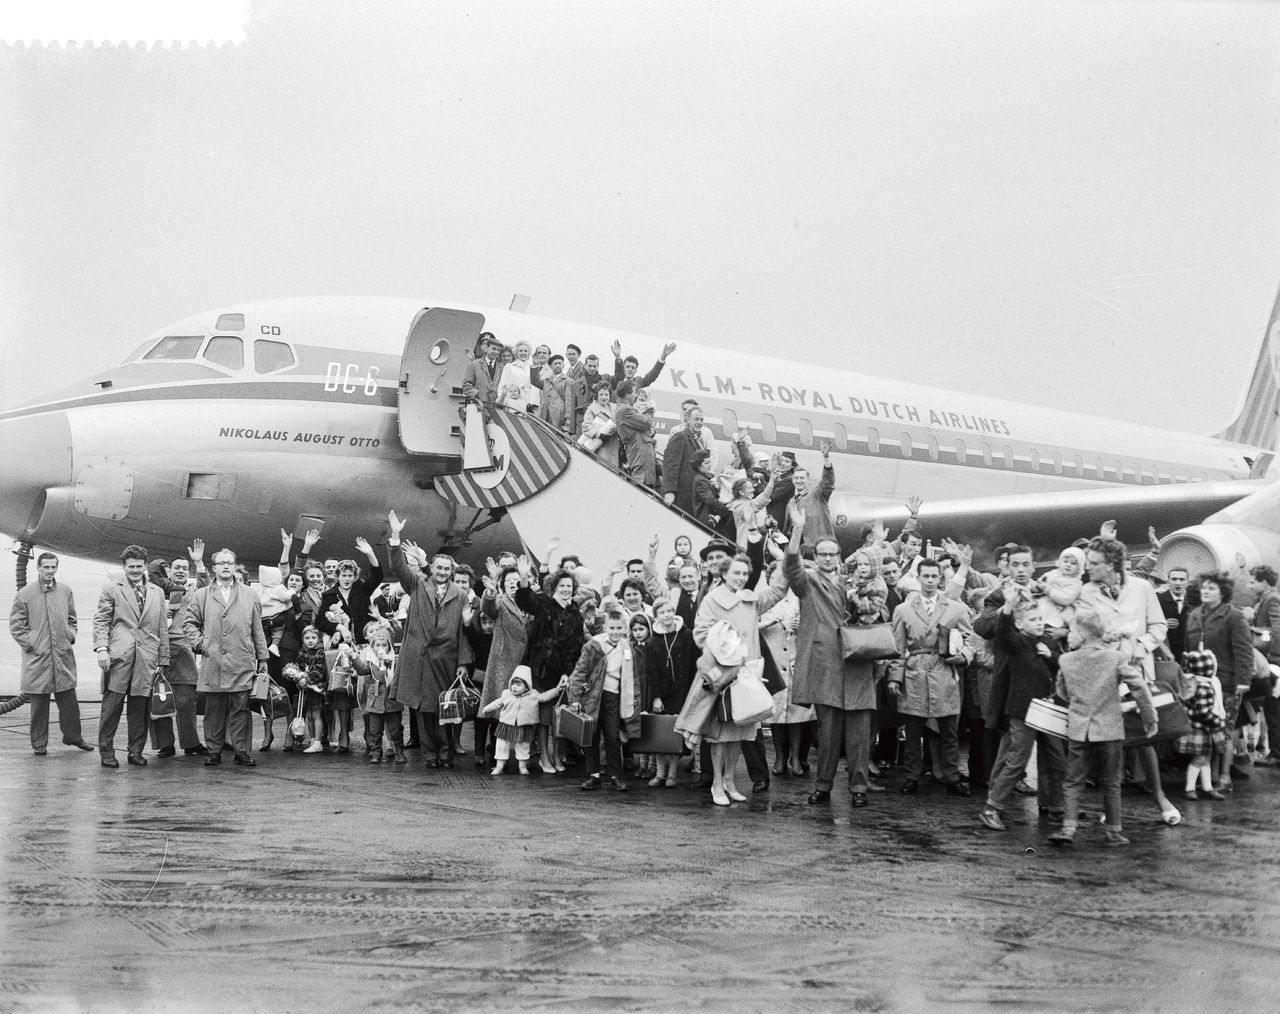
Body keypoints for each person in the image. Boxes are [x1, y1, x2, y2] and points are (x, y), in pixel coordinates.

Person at [1077, 535, 1181, 826]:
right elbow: (1085, 631)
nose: (1089, 569)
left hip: (1138, 670)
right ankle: (1112, 806)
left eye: (1095, 564)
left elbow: (1159, 626)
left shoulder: (1142, 587)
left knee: (1143, 738)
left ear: (1113, 565)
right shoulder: (1087, 591)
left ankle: (1160, 798)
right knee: (1111, 739)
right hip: (1104, 673)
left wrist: (1141, 646)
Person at [783, 509, 880, 807]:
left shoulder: (858, 581)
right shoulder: (808, 582)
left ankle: (859, 788)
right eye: (822, 554)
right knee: (827, 736)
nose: (827, 559)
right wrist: (797, 530)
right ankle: (823, 786)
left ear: (839, 556)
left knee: (860, 735)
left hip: (858, 662)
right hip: (827, 667)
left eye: (832, 554)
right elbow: (791, 568)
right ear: (817, 556)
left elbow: (881, 613)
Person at [1048, 607, 1158, 848]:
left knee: (1073, 780)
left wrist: (1080, 702)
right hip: (1110, 728)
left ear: (1083, 634)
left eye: (1072, 631)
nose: (1068, 636)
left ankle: (1068, 827)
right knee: (1111, 780)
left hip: (1079, 728)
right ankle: (1114, 831)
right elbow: (1138, 686)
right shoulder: (1116, 658)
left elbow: (1062, 692)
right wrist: (1150, 718)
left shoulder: (1066, 660)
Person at [687, 552, 788, 806]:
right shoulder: (712, 599)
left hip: (749, 674)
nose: (741, 578)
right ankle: (717, 784)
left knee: (742, 731)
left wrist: (787, 556)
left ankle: (731, 781)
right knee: (721, 734)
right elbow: (700, 634)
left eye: (745, 573)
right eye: (736, 573)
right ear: (723, 574)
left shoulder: (751, 599)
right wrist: (725, 645)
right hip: (724, 674)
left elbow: (778, 590)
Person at [387, 510, 474, 767]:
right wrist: (395, 535)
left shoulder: (459, 594)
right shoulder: (416, 584)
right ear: (431, 568)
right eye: (439, 567)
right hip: (419, 657)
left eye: (447, 569)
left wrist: (463, 662)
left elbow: (462, 631)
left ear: (451, 571)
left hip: (446, 658)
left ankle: (446, 753)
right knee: (423, 710)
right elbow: (397, 566)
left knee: (445, 707)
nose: (443, 572)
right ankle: (430, 755)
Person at [887, 556, 976, 795]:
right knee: (913, 731)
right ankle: (911, 776)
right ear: (917, 578)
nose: (929, 581)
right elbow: (897, 647)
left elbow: (970, 639)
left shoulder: (956, 608)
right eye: (925, 576)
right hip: (915, 671)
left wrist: (964, 656)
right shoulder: (903, 609)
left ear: (940, 578)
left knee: (949, 730)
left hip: (944, 671)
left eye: (934, 576)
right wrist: (895, 677)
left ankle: (951, 777)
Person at [977, 592, 1066, 831]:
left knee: (1057, 760)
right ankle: (992, 807)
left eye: (1040, 618)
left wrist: (1052, 656)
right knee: (1017, 760)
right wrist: (1008, 609)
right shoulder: (1015, 643)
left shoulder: (1046, 642)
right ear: (1019, 624)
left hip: (1047, 711)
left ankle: (1058, 807)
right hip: (1022, 712)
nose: (1039, 623)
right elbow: (1003, 633)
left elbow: (1061, 664)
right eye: (1033, 619)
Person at [183, 548, 269, 766]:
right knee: (213, 710)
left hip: (242, 660)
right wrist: (201, 644)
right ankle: (214, 750)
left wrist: (263, 658)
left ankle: (242, 751)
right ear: (214, 568)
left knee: (241, 708)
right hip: (214, 661)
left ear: (234, 565)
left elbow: (257, 629)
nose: (226, 566)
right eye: (221, 563)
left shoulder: (250, 594)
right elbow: (189, 623)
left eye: (229, 563)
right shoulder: (201, 595)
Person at [9, 551, 93, 756]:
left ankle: (74, 736)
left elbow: (72, 618)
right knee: (39, 705)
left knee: (69, 701)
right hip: (38, 657)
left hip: (62, 655)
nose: (49, 571)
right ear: (38, 568)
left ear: (57, 568)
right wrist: (33, 645)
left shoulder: (65, 591)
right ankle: (39, 743)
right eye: (45, 567)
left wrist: (69, 636)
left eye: (53, 567)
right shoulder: (25, 594)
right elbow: (16, 626)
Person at [93, 545, 170, 768]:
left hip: (147, 658)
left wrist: (163, 659)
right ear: (124, 567)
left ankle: (135, 751)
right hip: (118, 657)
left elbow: (162, 628)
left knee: (140, 710)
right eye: (131, 567)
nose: (135, 570)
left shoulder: (157, 592)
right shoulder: (112, 588)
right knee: (111, 708)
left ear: (146, 566)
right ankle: (106, 752)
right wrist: (101, 649)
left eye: (139, 566)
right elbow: (101, 621)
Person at [1184, 571, 1253, 791]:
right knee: (1204, 729)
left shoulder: (1234, 616)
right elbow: (1187, 649)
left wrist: (1243, 681)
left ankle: (1224, 776)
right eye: (1203, 587)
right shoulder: (1194, 614)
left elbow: (1244, 651)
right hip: (1199, 683)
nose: (1205, 591)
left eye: (1211, 588)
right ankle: (1209, 775)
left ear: (1223, 592)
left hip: (1226, 682)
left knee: (1225, 728)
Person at [569, 609, 641, 792]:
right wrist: (575, 698)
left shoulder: (628, 647)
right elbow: (580, 672)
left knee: (612, 736)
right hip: (594, 695)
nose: (616, 632)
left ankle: (615, 775)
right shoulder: (594, 646)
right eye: (612, 628)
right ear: (605, 627)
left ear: (625, 628)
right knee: (591, 735)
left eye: (619, 628)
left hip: (615, 696)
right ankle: (594, 775)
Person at [151, 543, 210, 757]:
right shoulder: (156, 590)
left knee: (186, 699)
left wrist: (198, 562)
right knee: (159, 698)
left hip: (183, 648)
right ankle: (165, 744)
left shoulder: (192, 590)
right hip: (158, 648)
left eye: (184, 568)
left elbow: (206, 585)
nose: (180, 571)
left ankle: (191, 742)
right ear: (168, 571)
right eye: (176, 568)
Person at [477, 563, 531, 769]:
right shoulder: (500, 602)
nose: (513, 585)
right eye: (509, 582)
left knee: (522, 711)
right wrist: (490, 591)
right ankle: (496, 754)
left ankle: (522, 757)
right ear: (503, 585)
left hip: (525, 664)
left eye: (517, 581)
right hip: (503, 661)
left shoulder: (529, 604)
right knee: (498, 710)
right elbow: (488, 608)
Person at [481, 666, 567, 775]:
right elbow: (498, 702)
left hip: (523, 726)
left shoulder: (533, 695)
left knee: (523, 746)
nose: (514, 687)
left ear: (527, 687)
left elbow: (545, 697)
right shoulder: (506, 694)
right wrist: (486, 708)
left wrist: (558, 689)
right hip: (506, 725)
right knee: (501, 745)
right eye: (513, 684)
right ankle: (499, 766)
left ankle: (522, 766)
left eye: (518, 684)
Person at [1176, 647, 1227, 800]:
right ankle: (1190, 788)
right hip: (1203, 729)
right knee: (1199, 759)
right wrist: (1218, 722)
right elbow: (1203, 712)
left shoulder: (1192, 683)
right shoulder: (1205, 687)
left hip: (1195, 728)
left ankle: (1207, 787)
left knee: (1205, 758)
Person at [354, 623, 406, 764]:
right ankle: (376, 751)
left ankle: (399, 751)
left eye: (384, 645)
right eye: (377, 645)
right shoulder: (371, 662)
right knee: (375, 729)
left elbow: (399, 675)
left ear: (389, 646)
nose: (381, 649)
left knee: (395, 728)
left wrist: (391, 665)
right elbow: (361, 670)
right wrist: (354, 658)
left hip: (392, 700)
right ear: (372, 647)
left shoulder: (394, 661)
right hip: (375, 700)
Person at [1247, 564, 1280, 766]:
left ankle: (1276, 753)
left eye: (1253, 582)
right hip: (1272, 661)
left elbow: (1276, 631)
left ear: (1264, 582)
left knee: (1274, 709)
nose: (1249, 586)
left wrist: (1255, 633)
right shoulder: (1265, 600)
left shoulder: (1273, 599)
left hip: (1273, 662)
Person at [784, 442, 836, 548]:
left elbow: (828, 481)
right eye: (796, 478)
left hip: (818, 547)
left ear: (807, 479)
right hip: (799, 550)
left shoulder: (817, 495)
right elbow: (788, 528)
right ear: (793, 480)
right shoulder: (791, 502)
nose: (799, 481)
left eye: (802, 478)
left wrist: (826, 458)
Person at [661, 405, 707, 514]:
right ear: (687, 420)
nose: (699, 422)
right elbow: (670, 464)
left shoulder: (696, 441)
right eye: (696, 419)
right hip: (679, 495)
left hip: (690, 495)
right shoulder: (680, 437)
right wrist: (669, 491)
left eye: (701, 420)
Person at [613, 380, 657, 486]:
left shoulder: (626, 410)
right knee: (643, 486)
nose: (636, 396)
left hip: (640, 453)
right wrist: (649, 413)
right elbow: (646, 423)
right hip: (640, 454)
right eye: (634, 393)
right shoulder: (624, 411)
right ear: (627, 395)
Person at [1158, 566, 1200, 660]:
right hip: (1166, 654)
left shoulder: (1195, 601)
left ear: (1187, 582)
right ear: (1168, 581)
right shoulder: (1158, 600)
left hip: (1190, 653)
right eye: (1174, 579)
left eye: (1182, 579)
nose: (1178, 583)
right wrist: (1163, 624)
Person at [580, 381, 620, 469]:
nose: (604, 397)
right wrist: (599, 434)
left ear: (610, 395)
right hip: (598, 446)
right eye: (601, 394)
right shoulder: (592, 409)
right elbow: (586, 427)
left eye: (606, 394)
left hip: (612, 446)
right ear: (597, 396)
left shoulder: (614, 408)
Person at [461, 332, 504, 403]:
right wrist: (477, 395)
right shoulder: (474, 364)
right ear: (487, 348)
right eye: (493, 349)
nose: (496, 352)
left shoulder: (502, 367)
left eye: (498, 350)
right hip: (478, 406)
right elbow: (466, 384)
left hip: (496, 406)